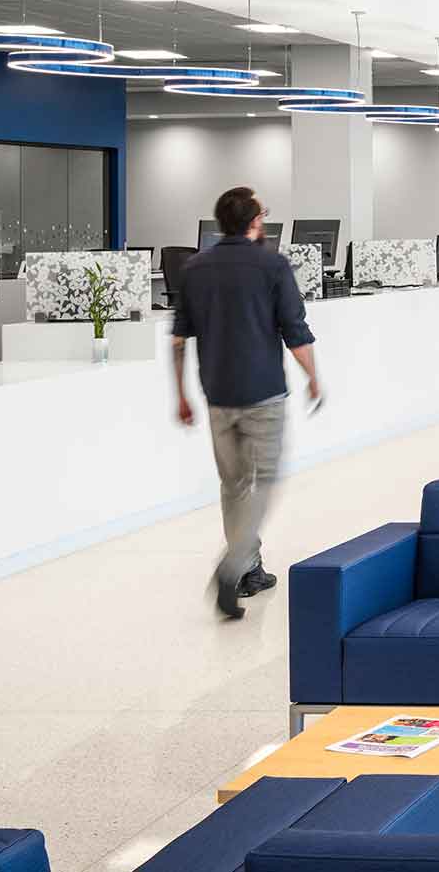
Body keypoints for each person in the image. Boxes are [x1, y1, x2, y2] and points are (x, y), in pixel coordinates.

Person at [172, 185, 321, 621]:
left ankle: (249, 569)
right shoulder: (272, 264)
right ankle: (233, 564)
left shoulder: (195, 268)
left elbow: (179, 338)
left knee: (233, 484)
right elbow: (295, 331)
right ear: (255, 222)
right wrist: (314, 377)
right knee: (267, 481)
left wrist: (179, 393)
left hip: (217, 394)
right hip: (264, 393)